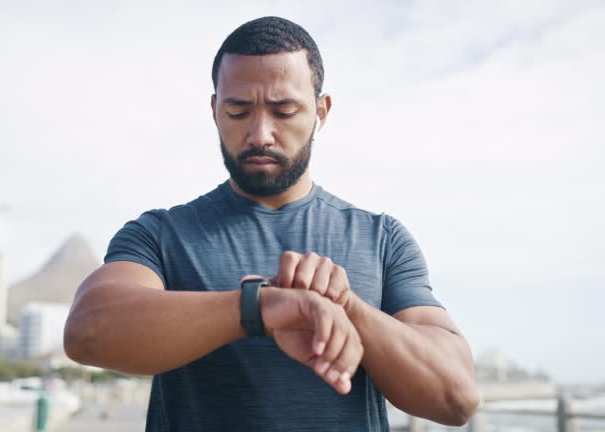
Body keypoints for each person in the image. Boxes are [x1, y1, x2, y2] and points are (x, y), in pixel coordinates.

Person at [64, 16, 479, 431]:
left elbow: (456, 398)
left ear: (321, 111)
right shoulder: (160, 234)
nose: (260, 133)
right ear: (214, 111)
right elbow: (88, 331)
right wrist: (259, 307)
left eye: (283, 111)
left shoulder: (382, 239)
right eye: (238, 111)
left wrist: (346, 307)